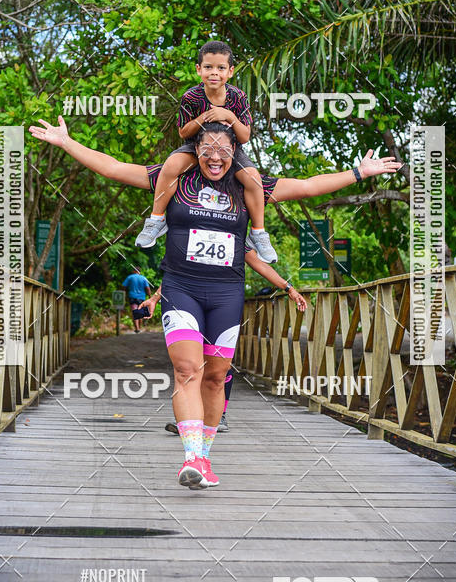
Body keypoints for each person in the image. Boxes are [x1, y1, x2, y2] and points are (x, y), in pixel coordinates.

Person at [28, 114, 402, 490]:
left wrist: (360, 172)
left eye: (224, 150)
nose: (215, 156)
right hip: (181, 287)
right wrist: (67, 143)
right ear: (196, 149)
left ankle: (204, 458)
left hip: (226, 294)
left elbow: (306, 185)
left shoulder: (246, 184)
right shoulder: (174, 177)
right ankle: (190, 457)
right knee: (188, 370)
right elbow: (112, 167)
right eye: (207, 148)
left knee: (215, 377)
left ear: (235, 152)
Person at [135, 40, 277, 264]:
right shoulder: (191, 97)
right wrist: (202, 118)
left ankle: (258, 233)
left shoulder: (238, 97)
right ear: (199, 69)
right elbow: (183, 132)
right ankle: (156, 219)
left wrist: (228, 116)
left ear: (230, 72)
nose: (214, 73)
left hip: (229, 149)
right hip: (196, 146)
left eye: (221, 68)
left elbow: (245, 136)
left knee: (253, 178)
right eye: (208, 67)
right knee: (171, 165)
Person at [152, 245, 308, 434]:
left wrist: (288, 287)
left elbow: (259, 263)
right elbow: (177, 275)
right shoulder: (190, 228)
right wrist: (155, 298)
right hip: (189, 301)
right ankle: (191, 419)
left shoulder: (234, 233)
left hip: (222, 303)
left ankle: (219, 415)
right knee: (189, 365)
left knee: (218, 366)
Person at [121, 268, 152, 333]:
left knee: (135, 311)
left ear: (134, 271)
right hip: (141, 298)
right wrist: (150, 297)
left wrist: (123, 294)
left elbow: (123, 286)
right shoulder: (143, 278)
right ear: (139, 271)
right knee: (140, 312)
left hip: (132, 297)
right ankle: (139, 328)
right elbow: (148, 289)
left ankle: (137, 329)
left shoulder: (130, 277)